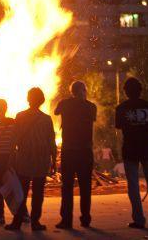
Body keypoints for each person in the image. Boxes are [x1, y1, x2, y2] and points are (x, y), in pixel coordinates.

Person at [115, 77, 148, 229]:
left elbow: (119, 129)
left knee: (133, 186)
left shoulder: (121, 108)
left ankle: (139, 220)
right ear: (140, 90)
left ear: (125, 91)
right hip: (147, 149)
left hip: (130, 150)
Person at [5, 87, 57, 231]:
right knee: (38, 193)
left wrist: (10, 157)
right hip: (41, 159)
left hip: (24, 159)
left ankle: (17, 222)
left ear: (28, 99)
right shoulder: (46, 119)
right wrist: (54, 160)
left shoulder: (20, 116)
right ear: (41, 100)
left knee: (21, 191)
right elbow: (51, 141)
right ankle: (35, 222)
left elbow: (14, 138)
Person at [55, 80, 97, 229]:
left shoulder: (65, 104)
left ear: (72, 91)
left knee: (67, 187)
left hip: (69, 151)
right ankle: (85, 219)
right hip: (85, 151)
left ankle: (66, 220)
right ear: (84, 90)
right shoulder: (91, 107)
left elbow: (56, 111)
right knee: (85, 187)